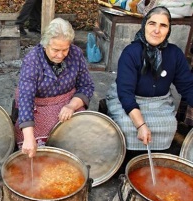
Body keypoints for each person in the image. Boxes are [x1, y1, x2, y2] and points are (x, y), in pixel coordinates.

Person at [106, 6, 193, 154]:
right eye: (152, 23)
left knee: (169, 125)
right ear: (144, 25)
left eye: (163, 25)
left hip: (159, 102)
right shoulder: (131, 53)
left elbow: (187, 86)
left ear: (168, 30)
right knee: (126, 125)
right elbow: (125, 93)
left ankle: (153, 158)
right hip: (129, 100)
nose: (157, 30)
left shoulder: (174, 54)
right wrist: (140, 125)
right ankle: (125, 159)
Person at [13, 18, 95, 158]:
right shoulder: (33, 60)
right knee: (32, 146)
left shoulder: (76, 54)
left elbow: (86, 86)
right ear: (45, 45)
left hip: (68, 103)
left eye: (65, 49)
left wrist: (71, 106)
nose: (60, 55)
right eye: (56, 50)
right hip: (38, 106)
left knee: (81, 138)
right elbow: (26, 98)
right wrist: (28, 137)